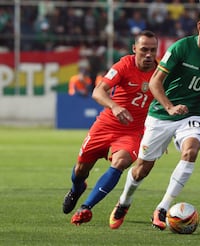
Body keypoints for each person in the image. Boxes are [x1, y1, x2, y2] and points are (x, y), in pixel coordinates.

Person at [109, 6, 200, 231]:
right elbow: (155, 83)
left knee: (191, 151)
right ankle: (124, 202)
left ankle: (162, 207)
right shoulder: (181, 48)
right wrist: (169, 107)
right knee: (142, 169)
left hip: (194, 114)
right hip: (161, 113)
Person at [62, 30, 158, 226]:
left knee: (121, 162)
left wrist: (161, 134)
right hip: (106, 124)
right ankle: (77, 188)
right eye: (144, 50)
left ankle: (86, 208)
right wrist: (114, 106)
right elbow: (98, 92)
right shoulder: (124, 64)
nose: (149, 54)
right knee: (81, 169)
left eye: (153, 50)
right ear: (134, 49)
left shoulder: (161, 71)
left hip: (133, 131)